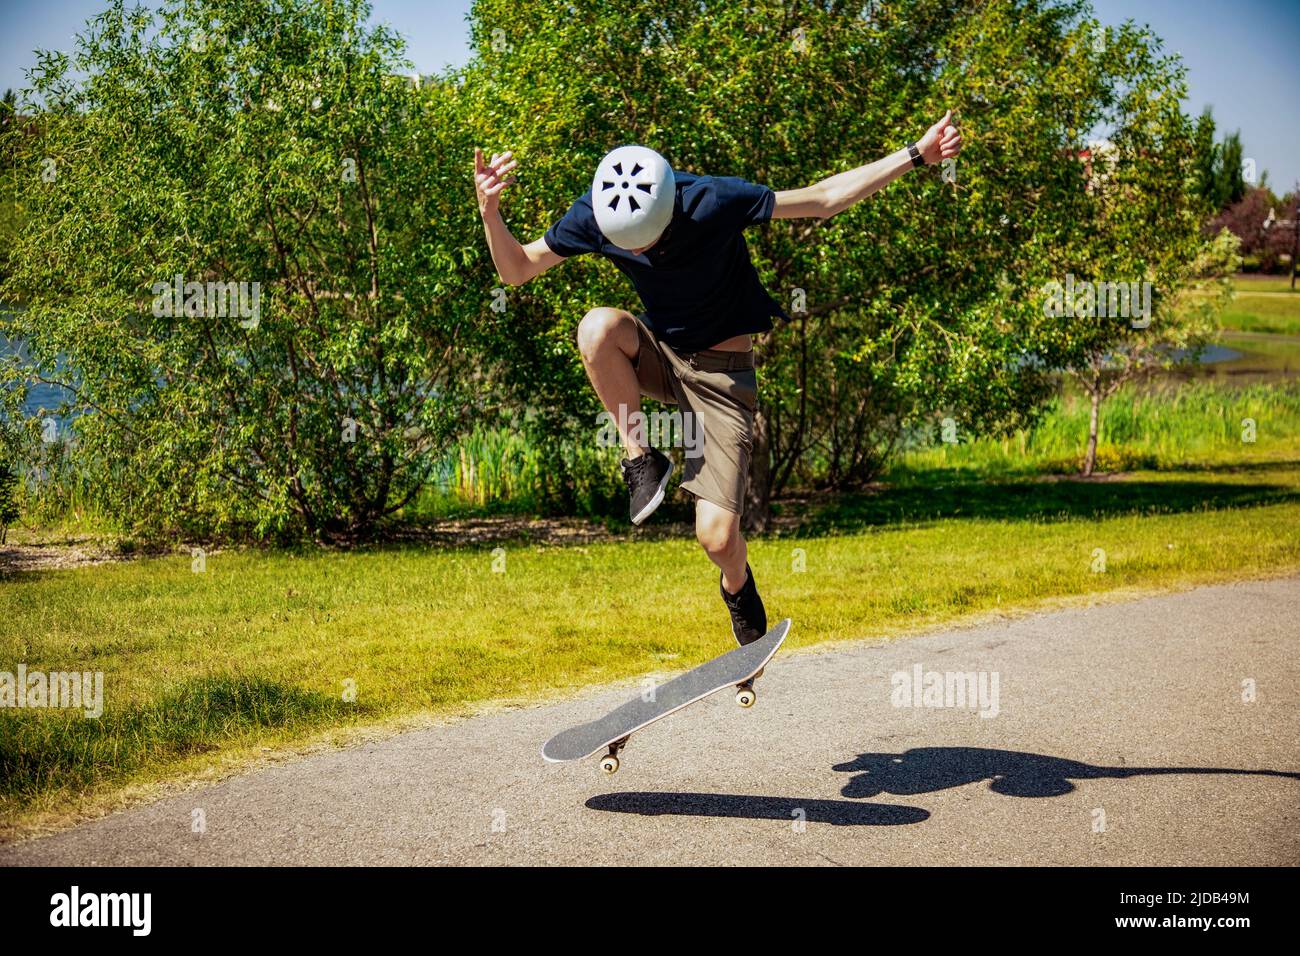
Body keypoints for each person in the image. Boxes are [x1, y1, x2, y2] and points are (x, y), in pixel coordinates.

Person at [475, 112, 963, 645]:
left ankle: (738, 588)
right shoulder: (598, 212)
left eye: (647, 243)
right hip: (660, 354)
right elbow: (516, 270)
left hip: (724, 378)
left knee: (716, 537)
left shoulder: (714, 200)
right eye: (627, 246)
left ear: (669, 212)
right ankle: (639, 459)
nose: (637, 253)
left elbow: (824, 197)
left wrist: (916, 155)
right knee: (596, 328)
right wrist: (490, 210)